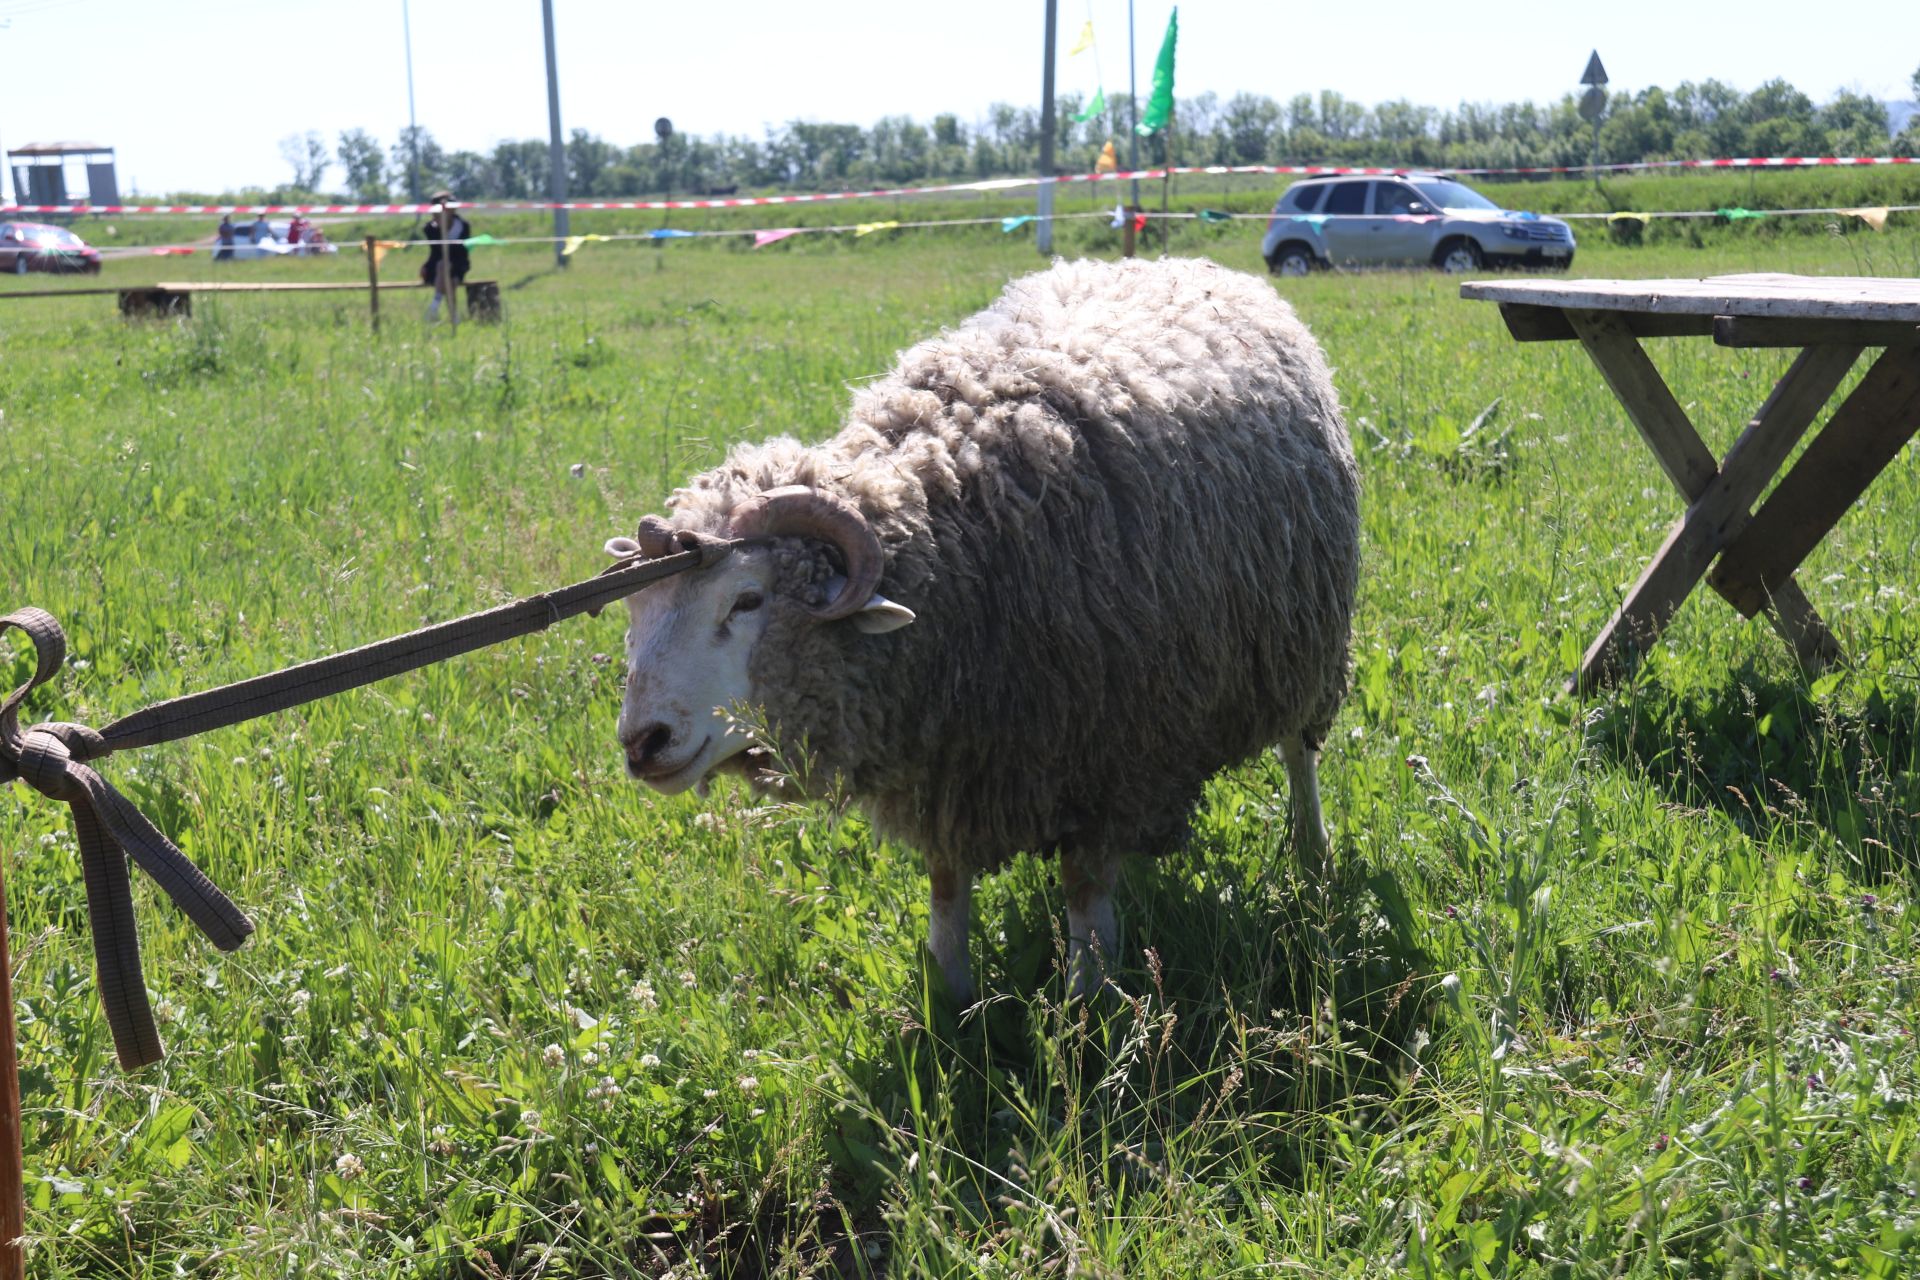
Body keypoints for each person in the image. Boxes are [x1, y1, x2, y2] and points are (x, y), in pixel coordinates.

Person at [420, 190, 472, 322]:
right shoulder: (430, 229)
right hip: (436, 267)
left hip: (458, 264)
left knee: (450, 275)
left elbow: (459, 251)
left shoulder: (463, 226)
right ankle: (453, 317)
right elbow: (438, 251)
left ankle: (435, 306)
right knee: (443, 268)